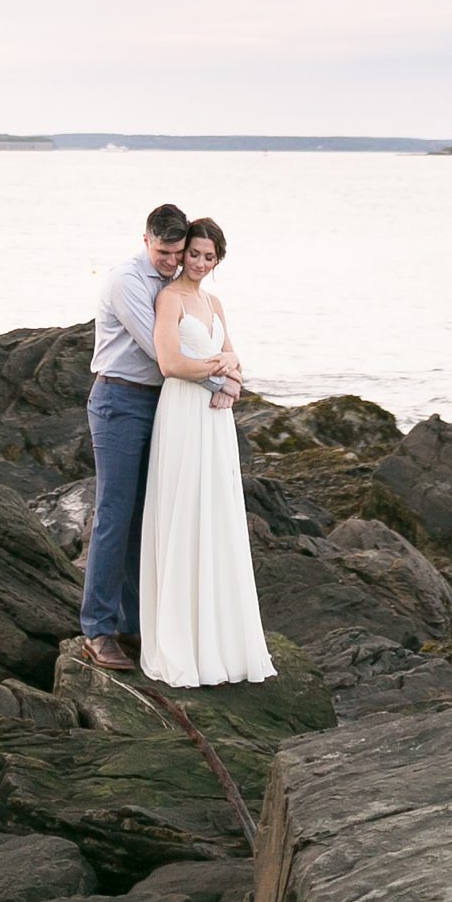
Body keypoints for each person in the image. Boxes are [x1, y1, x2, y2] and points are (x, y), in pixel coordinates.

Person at [138, 215, 275, 686]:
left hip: (216, 420)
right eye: (192, 253)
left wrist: (231, 381)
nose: (197, 262)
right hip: (182, 415)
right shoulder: (169, 298)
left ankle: (220, 639)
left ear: (218, 260)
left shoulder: (214, 302)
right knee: (185, 513)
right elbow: (171, 362)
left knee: (216, 516)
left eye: (207, 256)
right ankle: (183, 644)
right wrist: (219, 374)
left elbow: (235, 355)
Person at [79, 201, 192, 672]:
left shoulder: (176, 282)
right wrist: (219, 378)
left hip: (159, 404)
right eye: (164, 251)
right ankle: (97, 631)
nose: (171, 260)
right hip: (119, 402)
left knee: (145, 518)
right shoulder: (127, 281)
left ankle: (133, 623)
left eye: (178, 253)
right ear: (146, 239)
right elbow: (160, 349)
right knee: (114, 515)